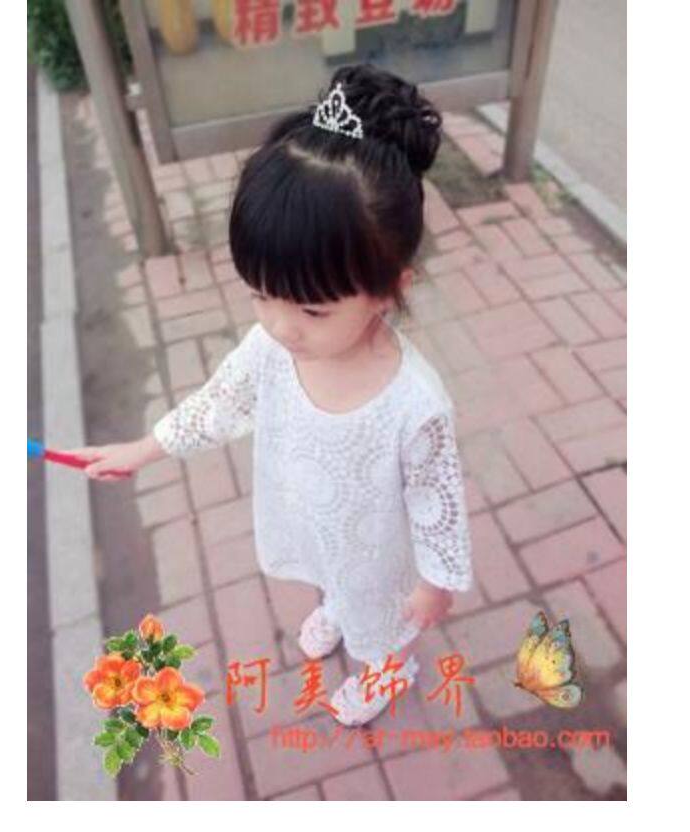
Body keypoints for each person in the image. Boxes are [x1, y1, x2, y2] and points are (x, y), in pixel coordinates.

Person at [66, 64, 473, 726]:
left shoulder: (414, 404)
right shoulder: (272, 350)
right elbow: (219, 402)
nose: (281, 326)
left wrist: (436, 584)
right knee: (334, 572)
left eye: (312, 309)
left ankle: (389, 665)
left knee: (381, 611)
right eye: (261, 295)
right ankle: (339, 603)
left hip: (378, 548)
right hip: (316, 516)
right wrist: (141, 450)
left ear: (388, 289)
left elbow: (436, 505)